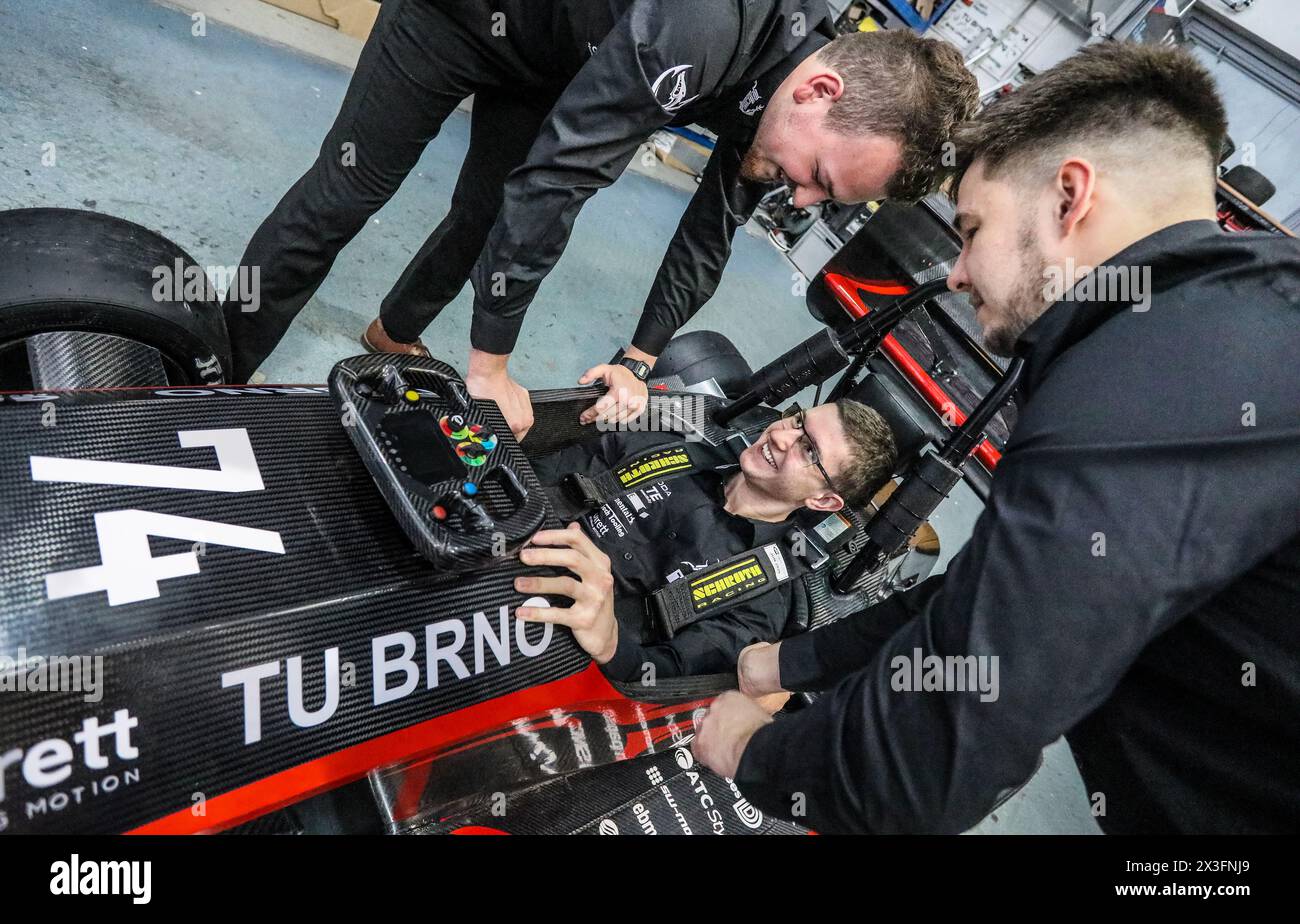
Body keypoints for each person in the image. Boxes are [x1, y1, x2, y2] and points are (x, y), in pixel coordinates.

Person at [694, 41, 1300, 834]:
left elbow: (922, 769)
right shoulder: (1235, 319)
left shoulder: (1140, 378)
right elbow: (986, 597)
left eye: (972, 227)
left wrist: (755, 750)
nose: (955, 271)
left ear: (1067, 199)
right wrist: (794, 661)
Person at [222, 0, 978, 438]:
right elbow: (559, 178)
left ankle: (394, 330)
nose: (803, 201)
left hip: (554, 56)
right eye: (817, 179)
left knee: (487, 214)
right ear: (819, 92)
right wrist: (488, 368)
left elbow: (710, 234)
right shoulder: (707, 24)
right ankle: (213, 374)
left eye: (826, 199)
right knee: (351, 191)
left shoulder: (791, 92)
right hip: (457, 16)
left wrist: (642, 359)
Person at [513, 400, 896, 679]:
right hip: (508, 551)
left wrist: (610, 642)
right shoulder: (664, 448)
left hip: (554, 653)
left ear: (823, 501)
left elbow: (661, 675)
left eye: (808, 450)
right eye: (797, 422)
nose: (781, 436)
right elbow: (528, 478)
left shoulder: (759, 603)